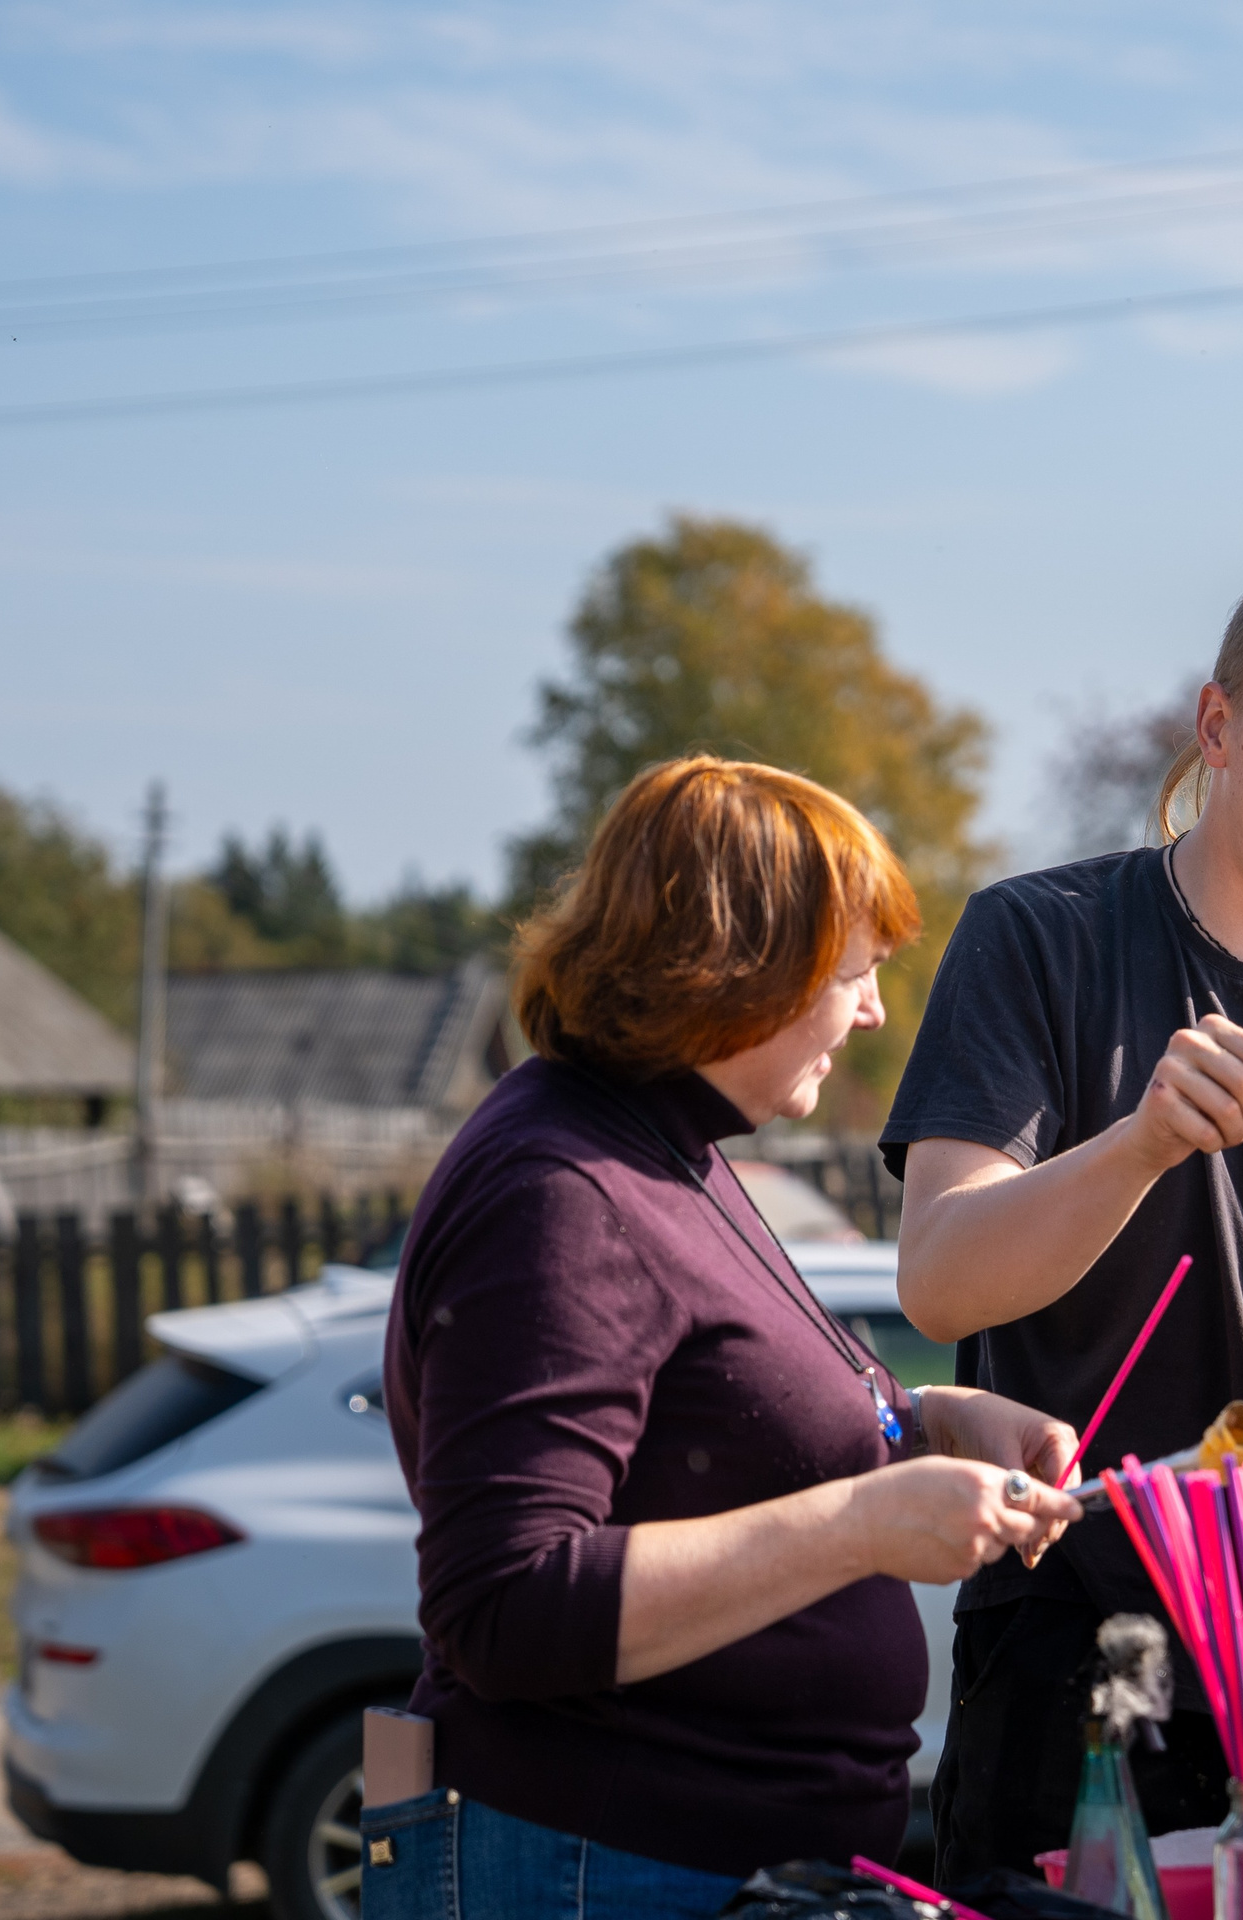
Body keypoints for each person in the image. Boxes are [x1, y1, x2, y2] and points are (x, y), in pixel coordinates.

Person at [364, 757, 1082, 1920]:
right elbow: (506, 1605)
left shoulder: (665, 1149)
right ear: (746, 967)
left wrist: (921, 1425)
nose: (871, 1011)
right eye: (852, 972)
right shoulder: (560, 1187)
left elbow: (716, 1432)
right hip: (596, 1869)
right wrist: (862, 1525)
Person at [884, 555, 1243, 1875]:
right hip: (1064, 1649)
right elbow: (940, 1280)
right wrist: (1140, 1145)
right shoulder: (1040, 938)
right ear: (1217, 728)